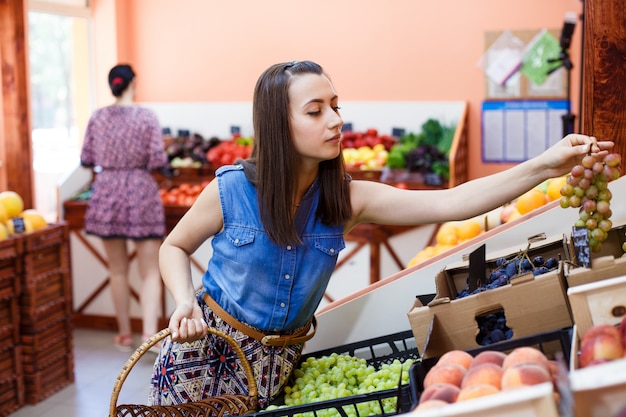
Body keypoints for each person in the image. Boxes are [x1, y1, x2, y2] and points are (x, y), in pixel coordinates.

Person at [148, 60, 612, 407]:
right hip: (203, 357)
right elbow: (174, 246)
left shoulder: (346, 200)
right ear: (278, 124)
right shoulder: (230, 189)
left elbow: (452, 202)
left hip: (276, 368)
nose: (335, 120)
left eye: (335, 106)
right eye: (315, 111)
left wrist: (546, 164)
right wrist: (184, 299)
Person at [80, 64, 168, 352]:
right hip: (140, 190)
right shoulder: (146, 117)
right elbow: (157, 159)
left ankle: (123, 334)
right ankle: (148, 336)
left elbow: (86, 159)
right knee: (151, 271)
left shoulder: (97, 117)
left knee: (117, 271)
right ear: (133, 83)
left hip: (107, 190)